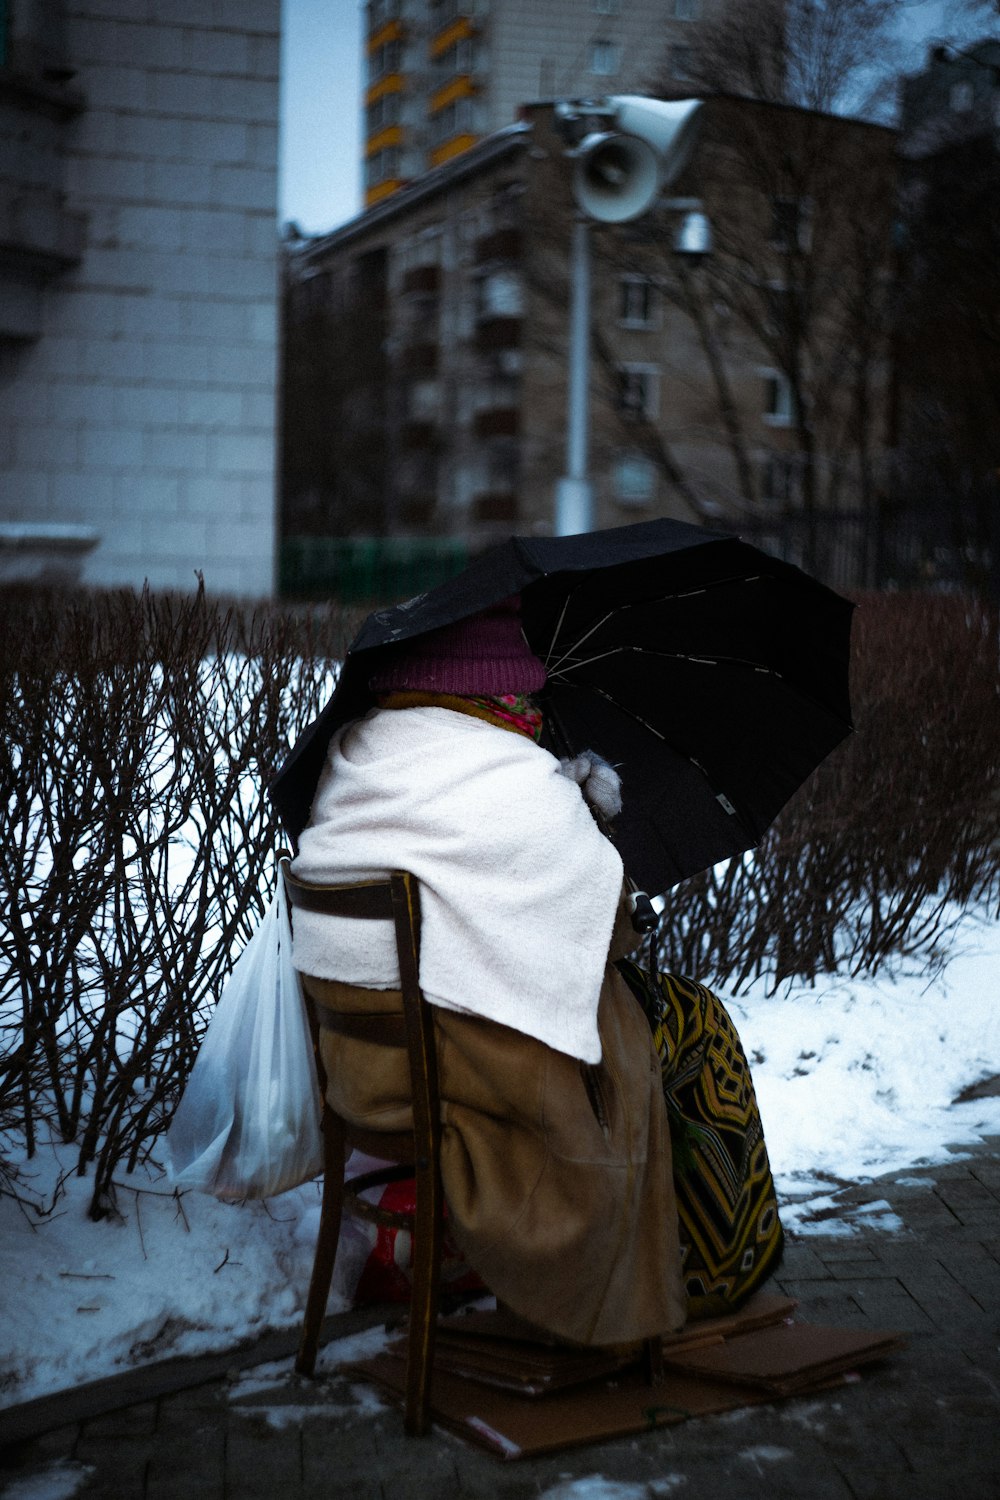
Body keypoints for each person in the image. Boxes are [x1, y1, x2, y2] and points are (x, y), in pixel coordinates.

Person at [289, 596, 781, 1342]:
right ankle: (705, 1267)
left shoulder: (355, 755)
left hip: (362, 1071)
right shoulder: (513, 778)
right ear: (485, 692)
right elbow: (610, 936)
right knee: (692, 1022)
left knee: (657, 1018)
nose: (529, 709)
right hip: (464, 1068)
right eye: (520, 694)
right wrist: (587, 814)